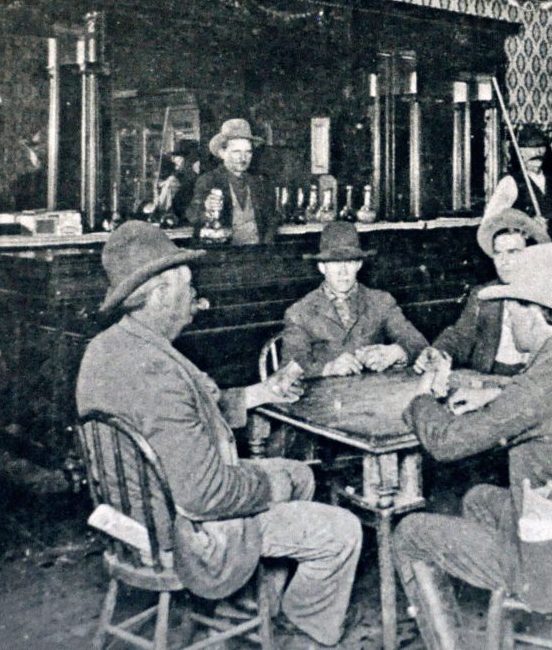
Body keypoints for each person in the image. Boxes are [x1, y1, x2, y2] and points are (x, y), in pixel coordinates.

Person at [75, 221, 362, 648]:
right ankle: (303, 628)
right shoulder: (158, 372)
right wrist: (270, 486)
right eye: (188, 287)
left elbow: (186, 415)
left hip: (134, 518)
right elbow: (204, 495)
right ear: (159, 292)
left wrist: (261, 393)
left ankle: (252, 601)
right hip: (187, 534)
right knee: (343, 530)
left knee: (302, 475)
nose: (197, 299)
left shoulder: (109, 348)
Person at [392, 244, 552, 650]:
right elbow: (541, 396)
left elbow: (445, 443)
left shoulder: (539, 384)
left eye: (513, 311)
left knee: (409, 531)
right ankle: (500, 608)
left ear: (534, 311)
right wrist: (495, 393)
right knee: (479, 497)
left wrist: (422, 399)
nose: (509, 323)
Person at [414, 209, 551, 377]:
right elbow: (460, 336)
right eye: (498, 253)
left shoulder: (551, 297)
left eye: (513, 252)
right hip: (487, 379)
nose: (504, 261)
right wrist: (438, 352)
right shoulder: (484, 295)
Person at [282, 220, 428, 378]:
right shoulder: (299, 312)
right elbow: (288, 369)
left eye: (350, 262)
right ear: (322, 267)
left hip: (373, 395)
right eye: (335, 263)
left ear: (359, 264)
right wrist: (328, 368)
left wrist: (398, 351)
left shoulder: (381, 301)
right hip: (323, 398)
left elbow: (419, 344)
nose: (343, 272)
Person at [188, 119, 280, 244]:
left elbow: (272, 218)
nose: (243, 159)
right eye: (236, 152)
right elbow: (192, 215)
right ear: (222, 153)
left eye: (248, 152)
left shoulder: (260, 182)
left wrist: (266, 245)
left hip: (257, 254)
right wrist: (207, 209)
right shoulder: (208, 180)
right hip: (224, 254)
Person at [483, 122, 552, 245]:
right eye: (530, 147)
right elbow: (491, 221)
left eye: (541, 146)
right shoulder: (510, 183)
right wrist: (525, 224)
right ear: (520, 152)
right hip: (527, 253)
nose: (538, 152)